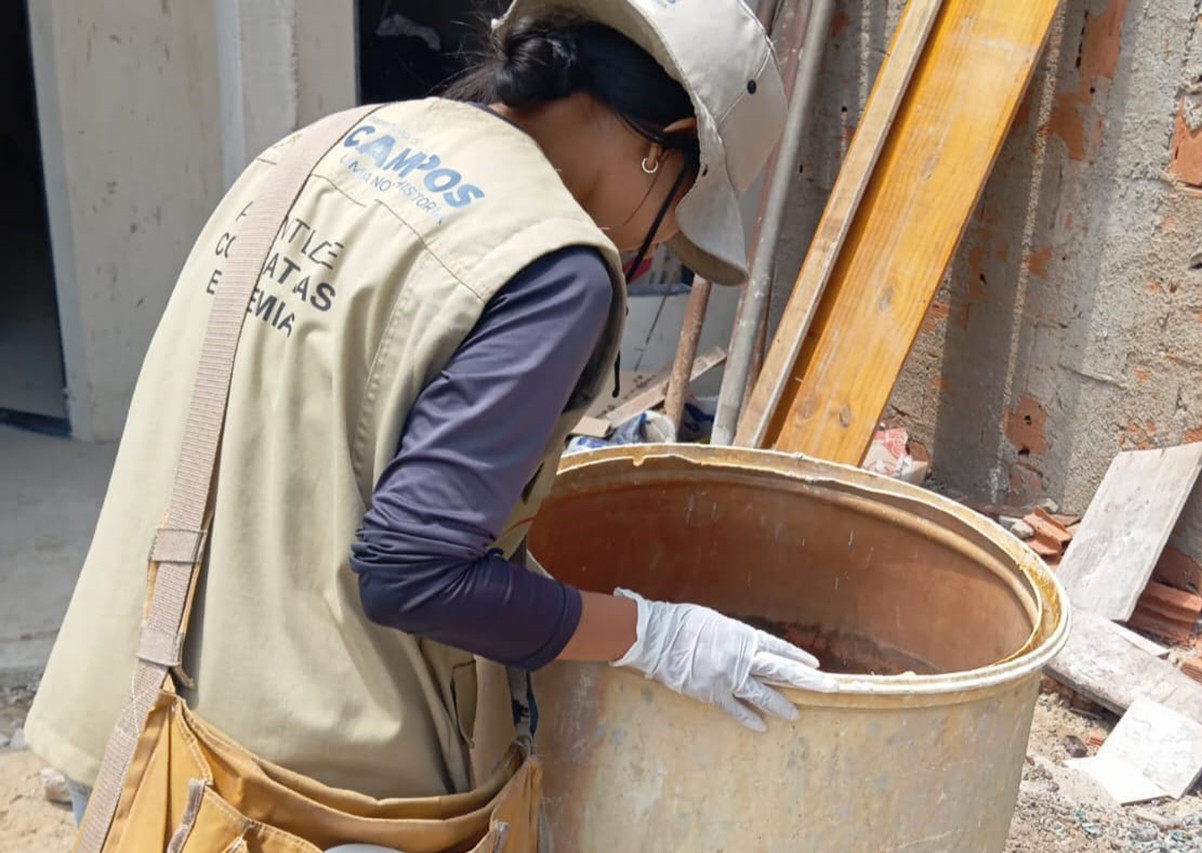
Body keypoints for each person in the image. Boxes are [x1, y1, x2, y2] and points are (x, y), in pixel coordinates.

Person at [26, 0, 836, 819]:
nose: (650, 248)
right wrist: (653, 636)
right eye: (678, 212)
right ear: (660, 147)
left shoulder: (320, 147)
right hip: (276, 798)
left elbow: (307, 452)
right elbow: (412, 573)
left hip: (129, 724)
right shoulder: (554, 265)